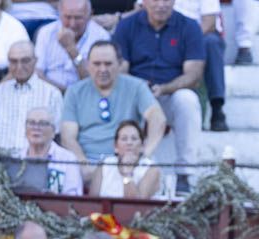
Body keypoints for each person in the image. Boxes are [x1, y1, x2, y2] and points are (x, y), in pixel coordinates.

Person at [112, 0, 204, 194]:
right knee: (120, 94)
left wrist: (164, 88)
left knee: (188, 100)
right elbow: (119, 70)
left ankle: (184, 174)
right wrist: (139, 88)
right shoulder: (127, 26)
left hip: (170, 93)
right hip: (137, 93)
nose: (161, 4)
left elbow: (193, 75)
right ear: (143, 2)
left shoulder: (189, 26)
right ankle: (119, 167)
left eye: (166, 0)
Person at [61, 41, 166, 179]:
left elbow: (157, 117)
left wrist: (145, 153)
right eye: (97, 64)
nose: (102, 69)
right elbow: (68, 137)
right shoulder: (75, 91)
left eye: (108, 64)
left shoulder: (136, 86)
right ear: (88, 65)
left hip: (126, 160)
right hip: (87, 160)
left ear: (120, 64)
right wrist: (83, 164)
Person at [0, 40, 62, 152]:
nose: (19, 66)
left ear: (35, 61)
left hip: (37, 159)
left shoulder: (52, 93)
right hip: (2, 159)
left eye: (25, 61)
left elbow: (57, 134)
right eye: (14, 61)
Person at [171, 0, 226, 131]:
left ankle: (217, 107)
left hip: (199, 34)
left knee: (211, 43)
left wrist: (188, 39)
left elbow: (209, 22)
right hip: (166, 32)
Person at [32, 0, 109, 92]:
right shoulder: (46, 32)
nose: (72, 24)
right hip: (49, 93)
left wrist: (71, 49)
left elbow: (95, 81)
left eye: (78, 18)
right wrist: (61, 93)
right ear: (59, 14)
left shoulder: (101, 36)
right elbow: (37, 74)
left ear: (90, 15)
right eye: (67, 17)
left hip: (85, 95)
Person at [12, 105, 82, 195]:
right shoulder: (15, 159)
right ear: (25, 130)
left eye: (43, 123)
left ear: (53, 132)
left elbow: (74, 197)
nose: (36, 128)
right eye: (31, 123)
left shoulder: (68, 159)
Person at [89, 118, 162, 198]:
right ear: (115, 147)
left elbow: (136, 205)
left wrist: (127, 173)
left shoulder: (151, 169)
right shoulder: (104, 166)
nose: (129, 143)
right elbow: (92, 203)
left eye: (134, 139)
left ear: (142, 146)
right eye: (124, 139)